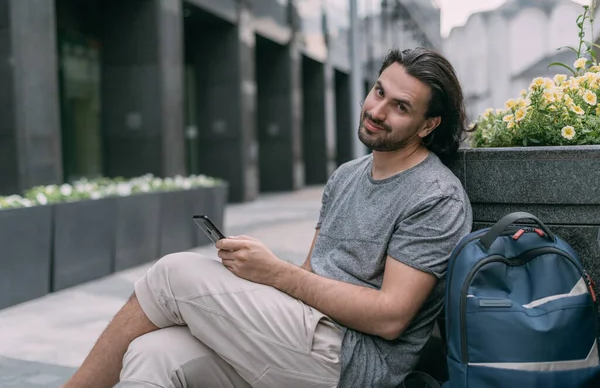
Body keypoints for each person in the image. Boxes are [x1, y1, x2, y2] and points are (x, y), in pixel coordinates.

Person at [62, 47, 473, 388]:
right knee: (152, 353)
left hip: (350, 363)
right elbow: (313, 274)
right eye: (378, 91)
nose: (377, 110)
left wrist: (274, 274)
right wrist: (257, 278)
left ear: (428, 125)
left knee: (174, 274)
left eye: (400, 106)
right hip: (302, 339)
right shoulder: (347, 176)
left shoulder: (435, 195)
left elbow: (390, 316)